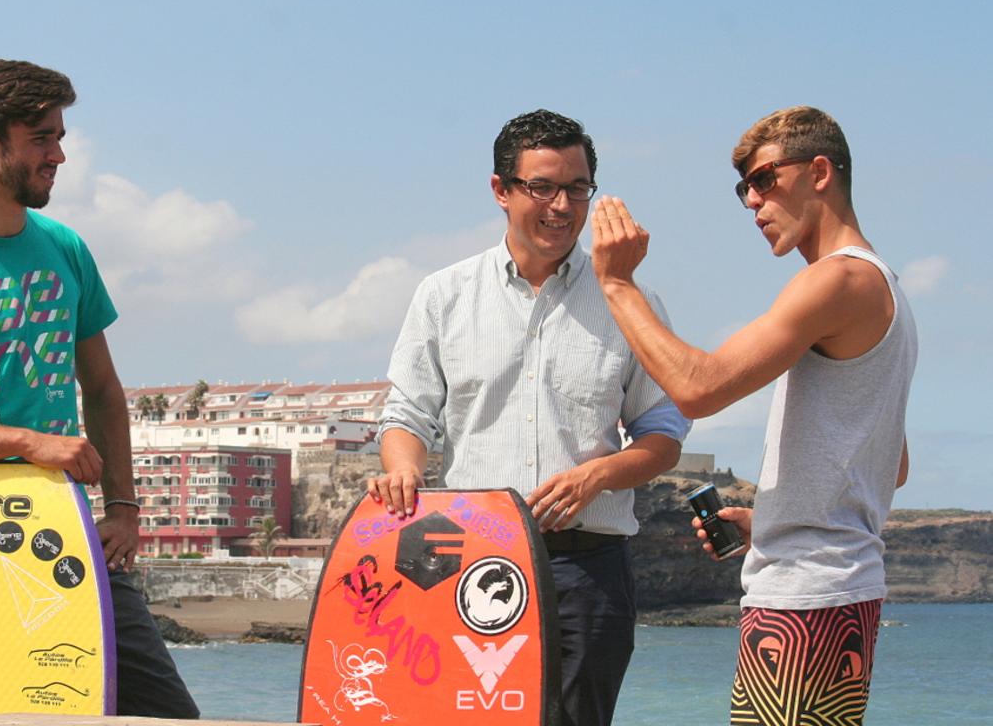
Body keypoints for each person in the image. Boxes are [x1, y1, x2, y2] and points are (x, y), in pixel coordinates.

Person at [0, 59, 199, 719]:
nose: (61, 154)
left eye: (59, 135)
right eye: (42, 138)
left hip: (67, 526)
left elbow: (102, 390)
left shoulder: (65, 248)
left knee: (169, 715)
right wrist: (28, 442)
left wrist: (126, 509)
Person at [589, 105, 916, 723]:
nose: (752, 202)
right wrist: (773, 516)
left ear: (820, 171)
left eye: (765, 179)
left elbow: (696, 387)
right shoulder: (886, 287)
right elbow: (889, 464)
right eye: (745, 187)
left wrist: (617, 284)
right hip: (842, 590)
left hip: (805, 596)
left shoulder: (836, 282)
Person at [369, 109, 691, 726]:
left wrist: (598, 475)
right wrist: (403, 469)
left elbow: (664, 434)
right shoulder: (444, 294)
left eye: (577, 188)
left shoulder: (632, 301)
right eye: (542, 187)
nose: (561, 205)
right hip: (463, 556)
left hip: (590, 564)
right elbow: (407, 412)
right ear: (501, 190)